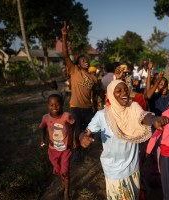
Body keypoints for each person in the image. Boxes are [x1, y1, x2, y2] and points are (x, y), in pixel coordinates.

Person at [79, 79, 168, 200]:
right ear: (111, 93)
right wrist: (82, 137)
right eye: (118, 91)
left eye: (125, 89)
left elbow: (143, 117)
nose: (124, 93)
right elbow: (87, 131)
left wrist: (154, 120)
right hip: (114, 171)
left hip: (133, 168)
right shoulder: (102, 115)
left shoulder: (133, 107)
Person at [61, 21, 97, 161]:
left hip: (88, 108)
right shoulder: (74, 70)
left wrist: (95, 107)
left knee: (88, 132)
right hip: (75, 107)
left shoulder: (93, 78)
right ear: (77, 63)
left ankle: (85, 150)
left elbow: (94, 94)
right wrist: (64, 35)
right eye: (82, 60)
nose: (85, 61)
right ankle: (77, 152)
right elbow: (65, 54)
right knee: (75, 131)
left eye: (86, 59)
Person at [39, 94, 75, 200]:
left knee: (65, 170)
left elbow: (73, 125)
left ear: (62, 105)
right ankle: (63, 186)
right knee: (59, 170)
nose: (54, 107)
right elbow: (43, 128)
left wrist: (73, 139)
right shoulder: (45, 117)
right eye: (51, 105)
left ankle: (66, 192)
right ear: (47, 105)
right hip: (52, 150)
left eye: (57, 105)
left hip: (65, 149)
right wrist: (42, 140)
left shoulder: (66, 116)